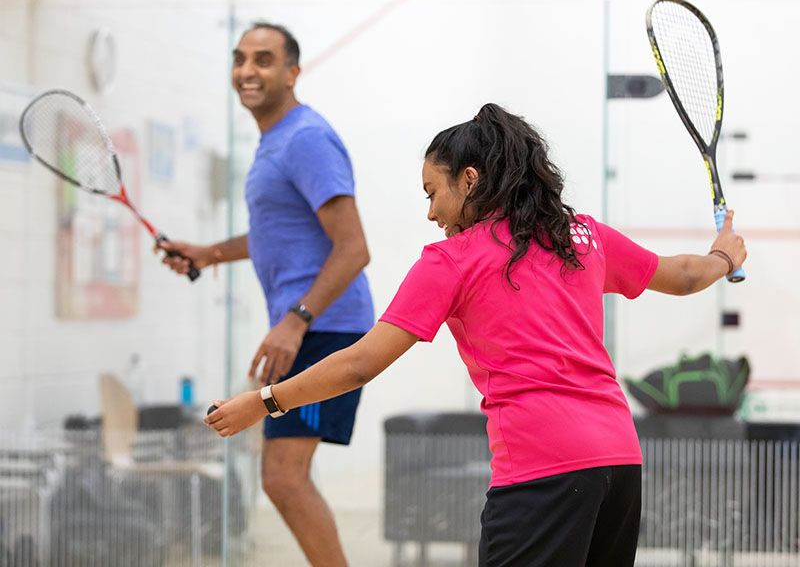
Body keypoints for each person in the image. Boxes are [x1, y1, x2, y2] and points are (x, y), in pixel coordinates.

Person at [204, 103, 747, 566]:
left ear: (470, 179)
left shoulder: (451, 260)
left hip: (542, 468)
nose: (431, 212)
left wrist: (265, 400)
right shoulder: (580, 234)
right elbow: (687, 275)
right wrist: (724, 254)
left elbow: (359, 364)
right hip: (619, 463)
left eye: (432, 192)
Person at [158, 23, 373, 567]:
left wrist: (296, 320)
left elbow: (353, 248)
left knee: (281, 477)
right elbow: (277, 232)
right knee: (284, 476)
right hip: (312, 324)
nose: (247, 70)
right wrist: (210, 252)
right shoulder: (275, 140)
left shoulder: (305, 138)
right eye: (239, 59)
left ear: (292, 72)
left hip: (326, 327)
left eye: (263, 59)